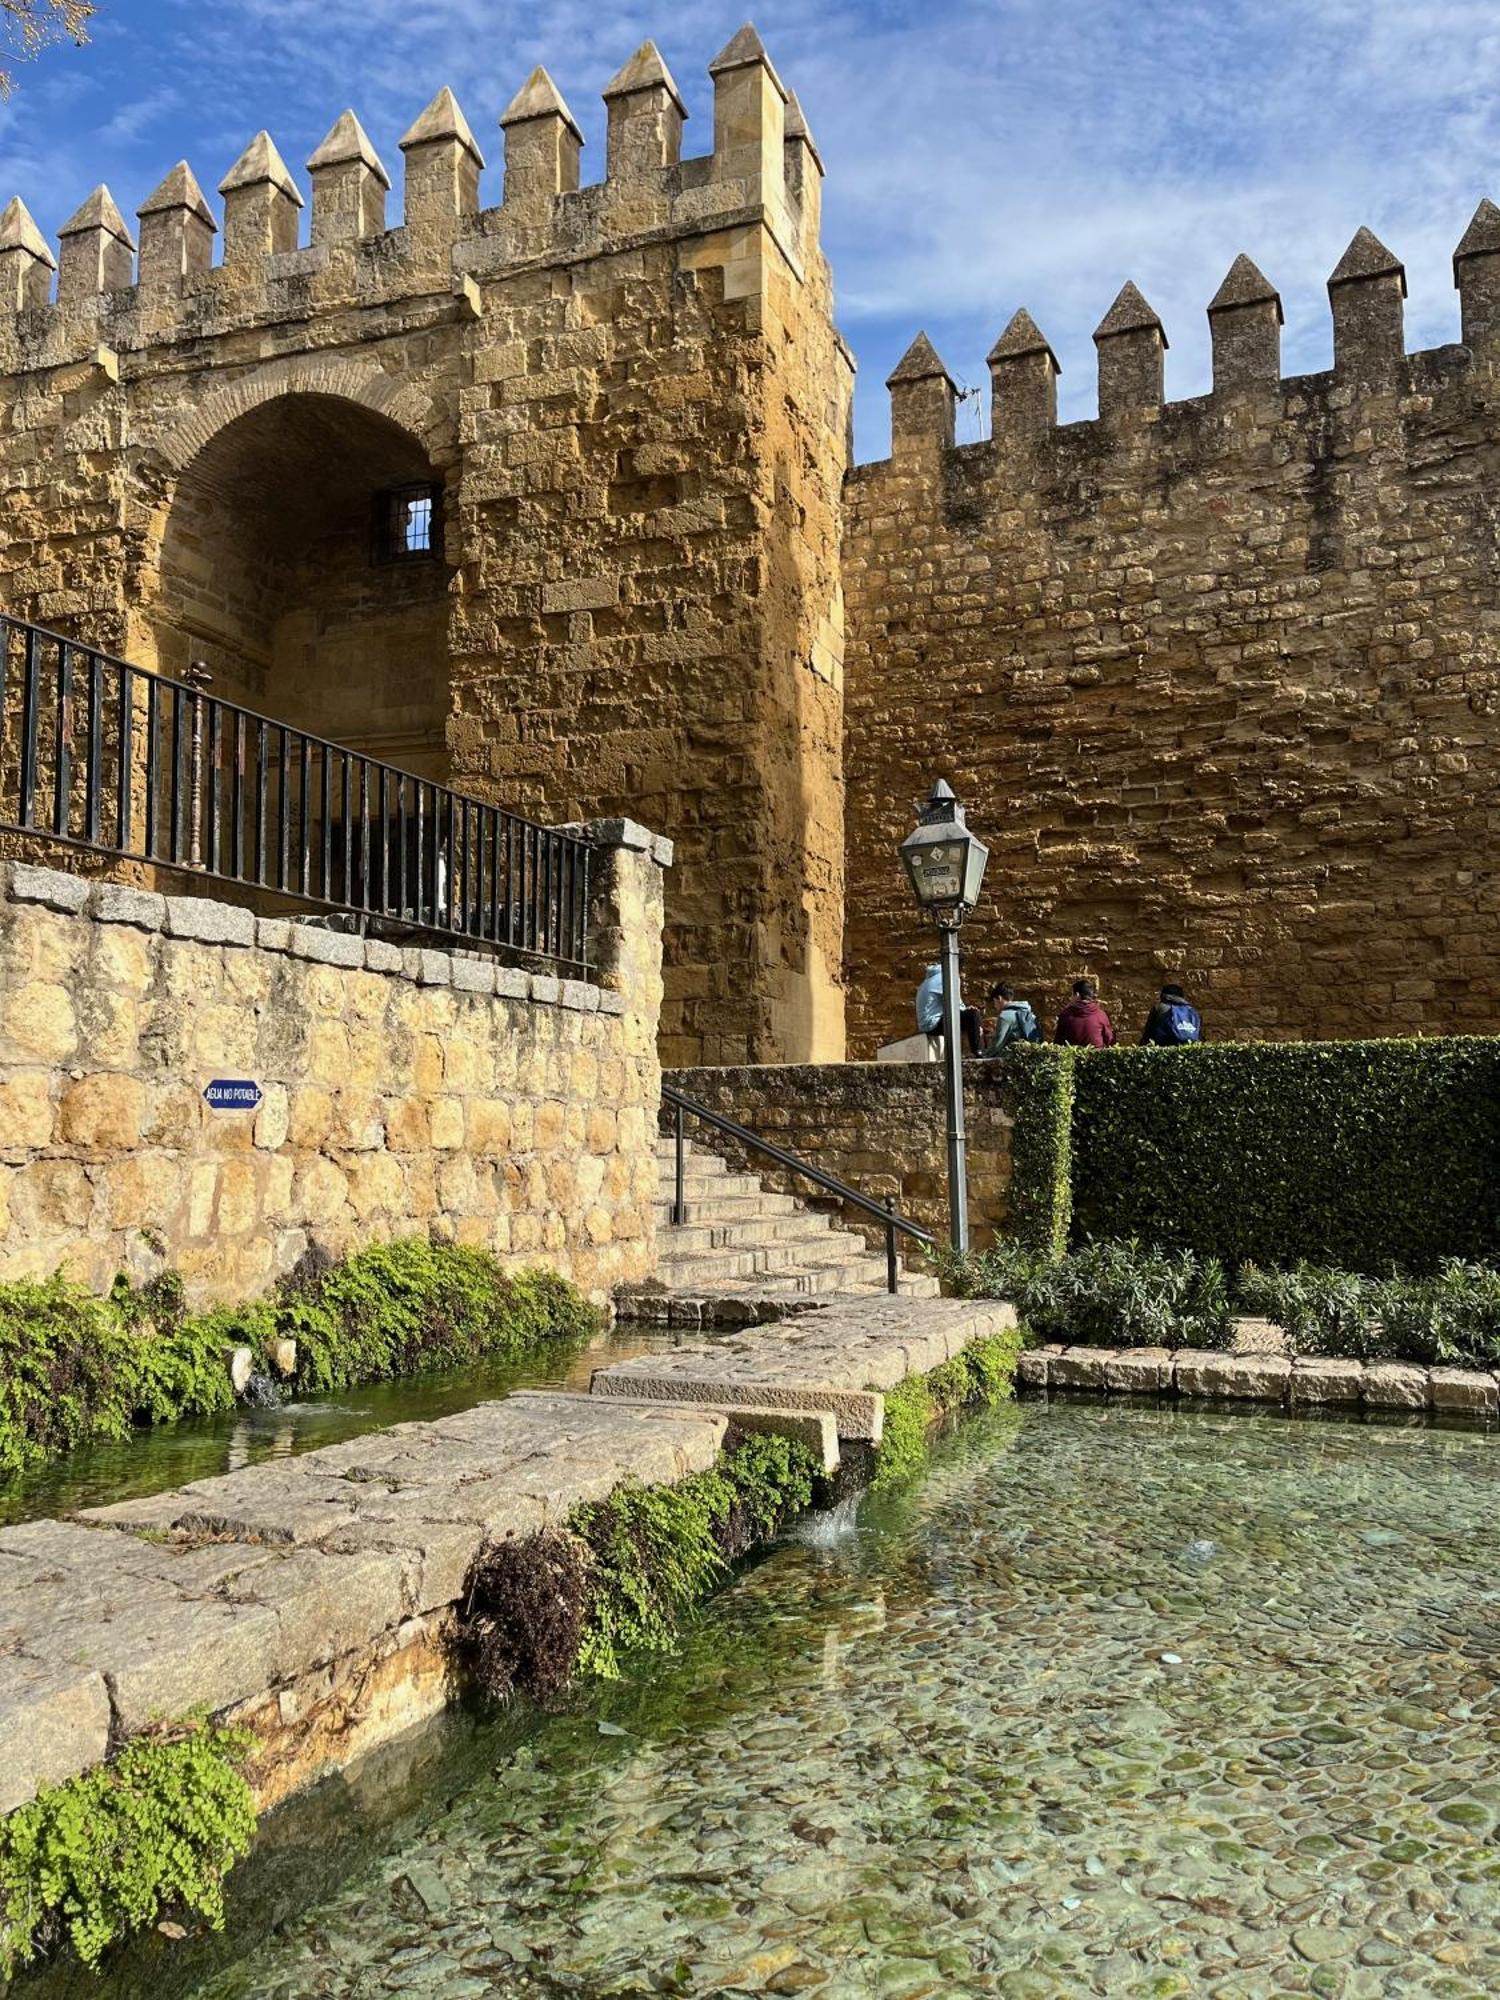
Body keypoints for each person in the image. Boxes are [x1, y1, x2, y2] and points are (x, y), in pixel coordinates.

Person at [915, 960, 983, 1056]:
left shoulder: (931, 978)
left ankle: (974, 1049)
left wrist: (964, 1009)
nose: (963, 975)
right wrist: (967, 1011)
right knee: (973, 1015)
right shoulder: (947, 977)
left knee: (970, 1016)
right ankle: (978, 1051)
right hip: (932, 1024)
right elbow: (953, 1001)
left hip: (927, 1023)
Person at [1054, 979, 1116, 1049]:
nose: (1071, 998)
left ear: (1077, 995)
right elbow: (1110, 1041)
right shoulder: (1101, 1015)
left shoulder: (1066, 1015)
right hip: (1096, 1058)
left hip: (1072, 1057)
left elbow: (1058, 1043)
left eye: (1072, 994)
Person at [983, 982, 1042, 1054]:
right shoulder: (1028, 1012)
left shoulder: (1005, 1016)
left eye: (994, 1002)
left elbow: (998, 1044)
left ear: (999, 998)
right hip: (1032, 1053)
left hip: (1015, 1056)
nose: (994, 1006)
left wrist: (984, 1055)